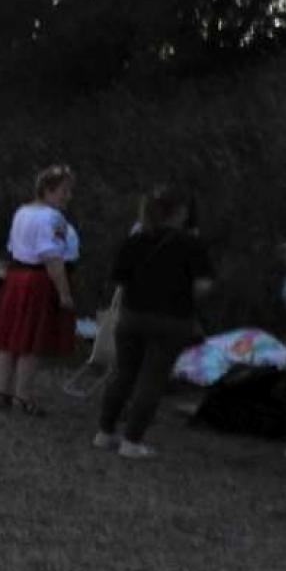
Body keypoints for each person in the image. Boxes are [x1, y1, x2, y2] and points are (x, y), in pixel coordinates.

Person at [94, 187, 214, 459]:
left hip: (133, 314)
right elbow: (204, 284)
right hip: (172, 318)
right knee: (152, 378)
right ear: (179, 213)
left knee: (123, 373)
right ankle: (132, 440)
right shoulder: (190, 244)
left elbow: (118, 278)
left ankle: (105, 431)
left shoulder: (136, 240)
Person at [0, 164, 80, 415]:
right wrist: (64, 293)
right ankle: (22, 396)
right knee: (31, 342)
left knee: (10, 338)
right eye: (64, 191)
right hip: (37, 280)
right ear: (48, 190)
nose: (68, 196)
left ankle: (3, 390)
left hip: (16, 277)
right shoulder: (52, 218)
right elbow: (52, 257)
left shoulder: (23, 211)